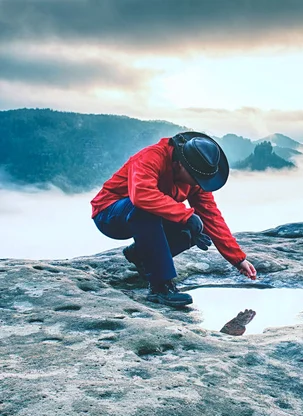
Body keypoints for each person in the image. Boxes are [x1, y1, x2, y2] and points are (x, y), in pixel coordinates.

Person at [90, 131, 257, 308]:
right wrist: (185, 216)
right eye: (196, 179)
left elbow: (212, 217)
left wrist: (238, 259)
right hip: (109, 215)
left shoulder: (195, 179)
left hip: (145, 218)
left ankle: (139, 255)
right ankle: (160, 287)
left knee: (197, 228)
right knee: (148, 210)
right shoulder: (151, 157)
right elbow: (141, 195)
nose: (198, 184)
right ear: (180, 165)